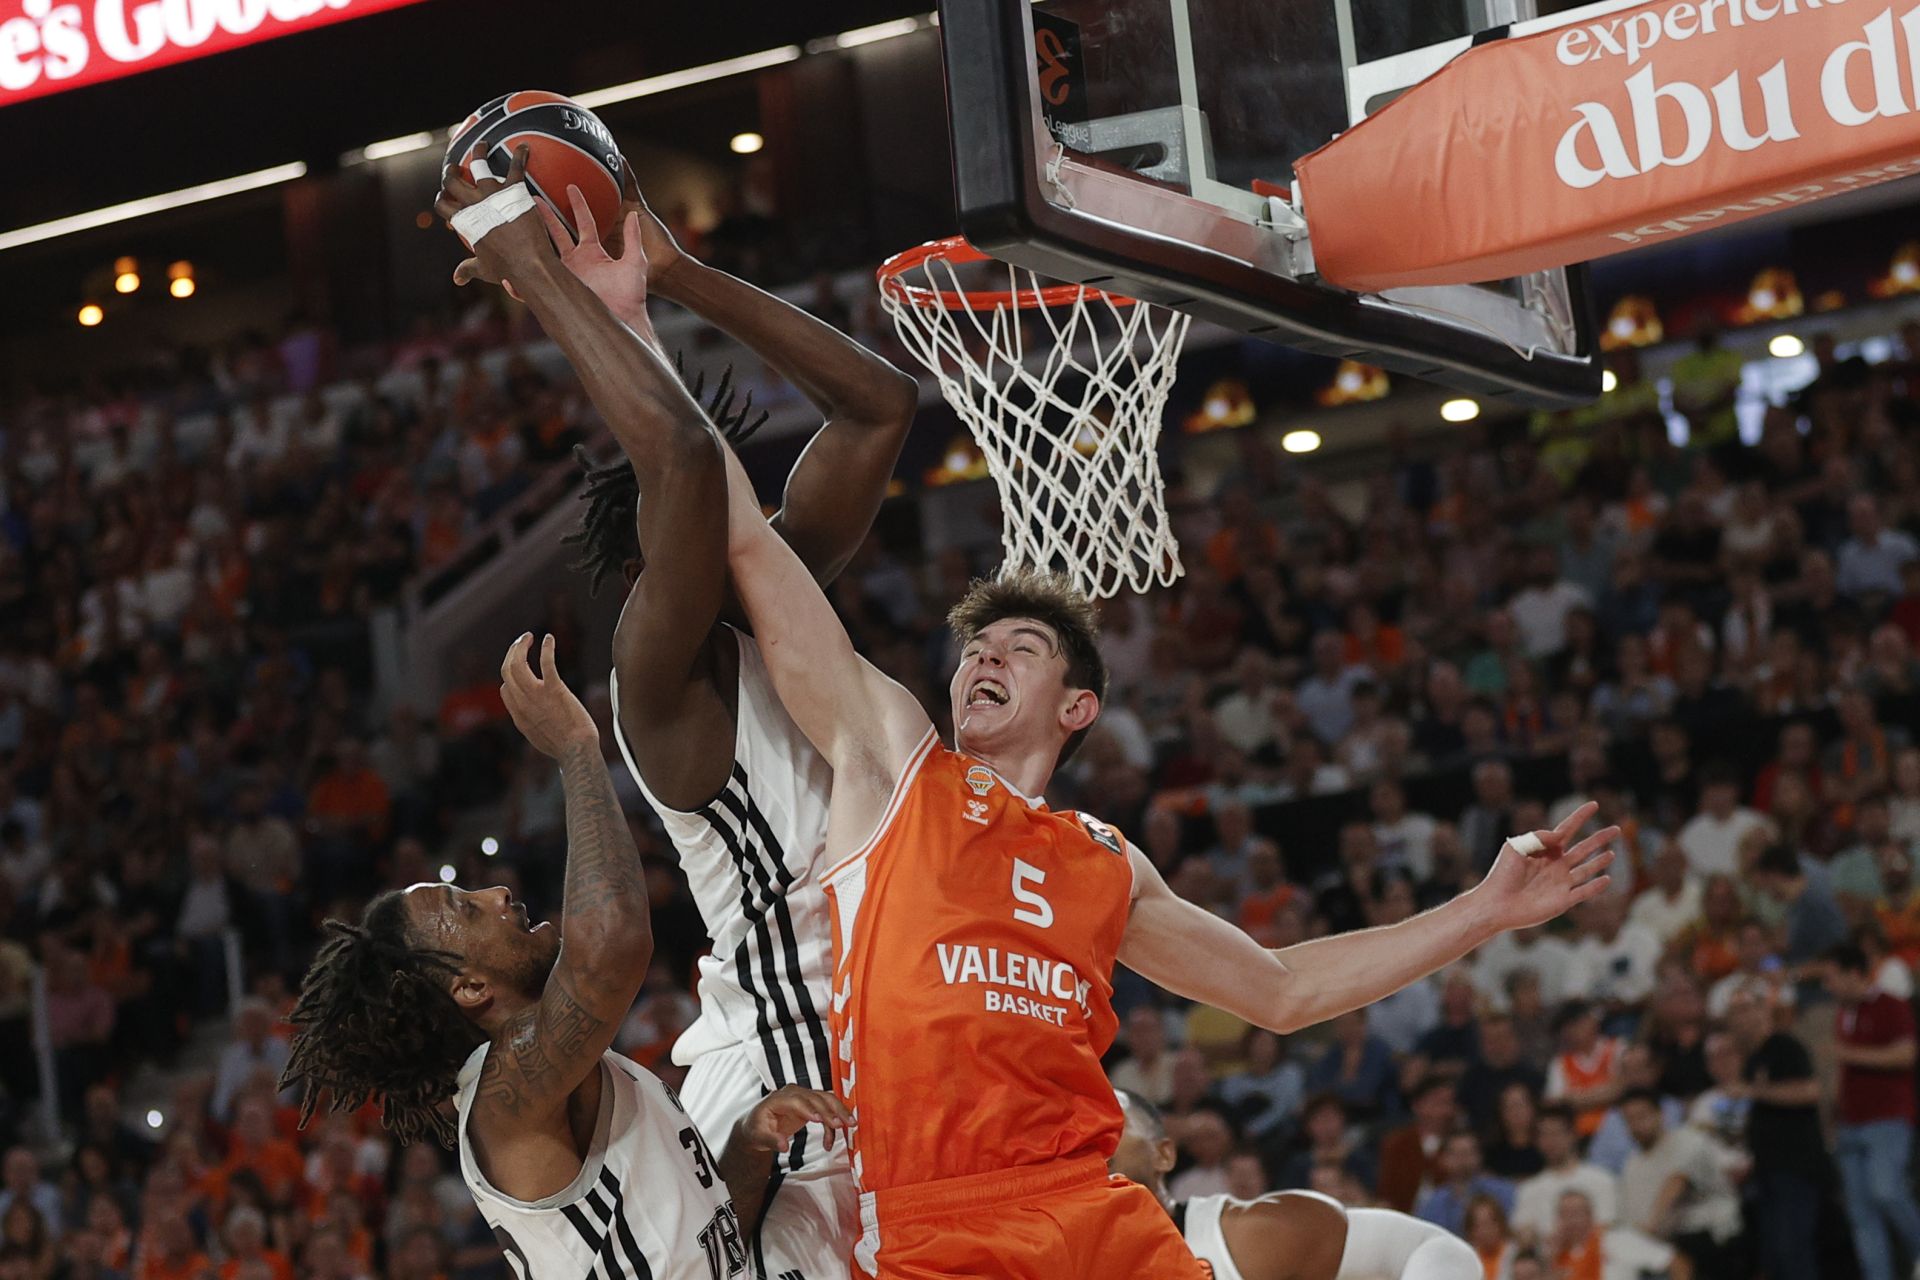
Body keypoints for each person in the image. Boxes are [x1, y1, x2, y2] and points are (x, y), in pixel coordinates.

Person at [718, 319, 1616, 1271]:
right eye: (976, 648)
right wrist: (634, 316)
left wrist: (1484, 910)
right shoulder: (895, 765)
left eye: (1021, 648)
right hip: (943, 1214)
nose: (985, 655)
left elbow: (1283, 989)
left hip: (1094, 1208)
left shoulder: (1106, 861)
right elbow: (749, 546)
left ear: (1078, 706)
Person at [449, 149, 917, 1276]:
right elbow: (684, 468)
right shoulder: (658, 679)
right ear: (653, 568)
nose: (752, 515)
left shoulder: (777, 596)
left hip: (880, 1006)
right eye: (714, 513)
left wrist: (678, 271)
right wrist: (533, 266)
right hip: (795, 1054)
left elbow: (878, 407)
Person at [277, 646, 846, 1268]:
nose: (495, 893)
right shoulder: (503, 1098)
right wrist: (577, 747)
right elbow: (614, 947)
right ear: (467, 988)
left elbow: (701, 1250)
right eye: (467, 908)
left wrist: (750, 1142)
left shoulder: (554, 1082)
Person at [1110, 1091, 1481, 1280]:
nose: (1087, 1138)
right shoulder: (1057, 1261)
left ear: (1163, 1155)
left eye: (1112, 1122)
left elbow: (1436, 1248)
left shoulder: (1244, 1238)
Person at [1823, 942, 1920, 1280]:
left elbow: (1905, 1055)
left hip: (1887, 1119)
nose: (1827, 986)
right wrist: (1834, 1117)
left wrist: (1849, 1053)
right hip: (1851, 1123)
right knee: (1861, 1214)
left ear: (1854, 974)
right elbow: (1842, 1068)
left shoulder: (1890, 1005)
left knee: (1887, 1190)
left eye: (1832, 977)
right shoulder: (1843, 1014)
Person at [1725, 988, 1826, 1280]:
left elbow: (1809, 1091)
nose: (1740, 1019)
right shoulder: (1753, 1059)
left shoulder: (1783, 1045)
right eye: (1734, 1012)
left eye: (1746, 1009)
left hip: (1796, 1167)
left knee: (1793, 1251)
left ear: (1764, 1011)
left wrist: (1754, 1090)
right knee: (1773, 1258)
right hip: (1766, 1169)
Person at [1510, 1105, 1618, 1244]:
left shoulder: (1602, 1180)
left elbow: (1607, 1226)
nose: (1550, 1141)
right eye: (1544, 1135)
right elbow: (1523, 1233)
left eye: (1556, 1133)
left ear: (1573, 1135)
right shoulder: (1529, 1189)